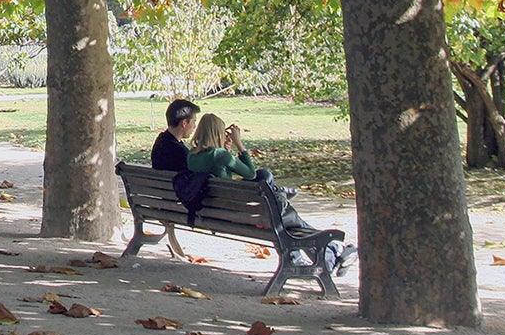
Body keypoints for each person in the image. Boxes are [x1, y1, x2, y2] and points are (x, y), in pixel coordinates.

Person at [190, 113, 356, 282]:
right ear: (217, 133)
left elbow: (220, 172)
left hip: (220, 213)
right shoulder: (219, 155)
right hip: (247, 214)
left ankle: (330, 253)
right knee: (286, 216)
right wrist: (239, 145)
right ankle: (335, 248)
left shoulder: (192, 156)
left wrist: (226, 150)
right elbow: (250, 173)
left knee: (270, 186)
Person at [150, 98, 200, 172]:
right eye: (194, 121)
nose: (194, 126)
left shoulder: (160, 143)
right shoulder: (181, 152)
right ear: (184, 123)